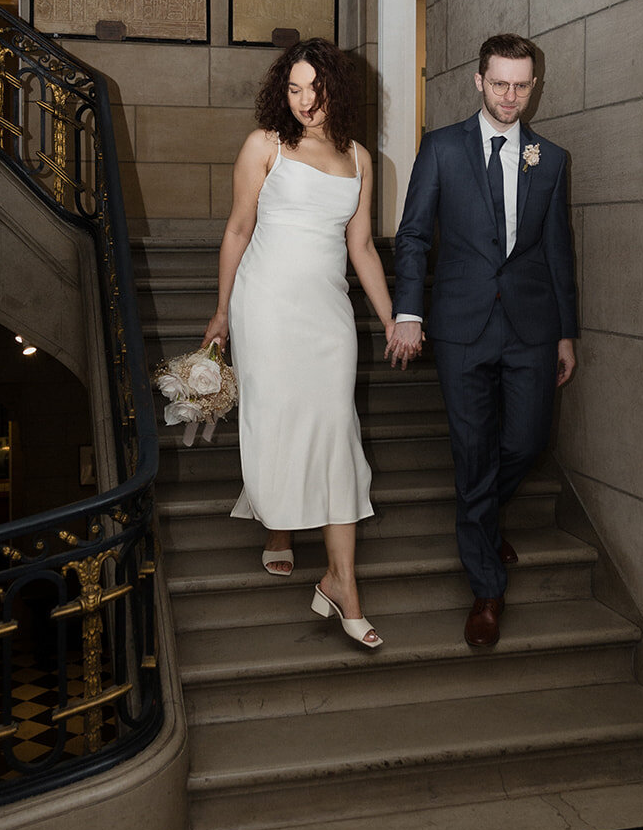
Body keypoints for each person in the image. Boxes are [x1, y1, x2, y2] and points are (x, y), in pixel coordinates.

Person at [203, 38, 404, 649]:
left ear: (335, 91)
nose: (304, 102)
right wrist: (221, 312)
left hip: (327, 316)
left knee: (335, 428)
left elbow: (362, 247)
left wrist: (393, 319)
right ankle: (285, 532)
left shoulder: (360, 159)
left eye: (314, 90)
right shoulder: (265, 145)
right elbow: (238, 228)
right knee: (280, 420)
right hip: (265, 305)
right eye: (293, 90)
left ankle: (339, 579)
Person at [386, 33, 578, 648]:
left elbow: (557, 251)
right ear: (478, 80)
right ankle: (487, 588)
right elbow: (412, 235)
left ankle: (481, 516)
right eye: (500, 83)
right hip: (462, 325)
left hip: (531, 326)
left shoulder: (550, 158)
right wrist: (409, 311)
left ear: (533, 86)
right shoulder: (442, 148)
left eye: (523, 85)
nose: (511, 95)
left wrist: (565, 333)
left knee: (526, 440)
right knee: (473, 452)